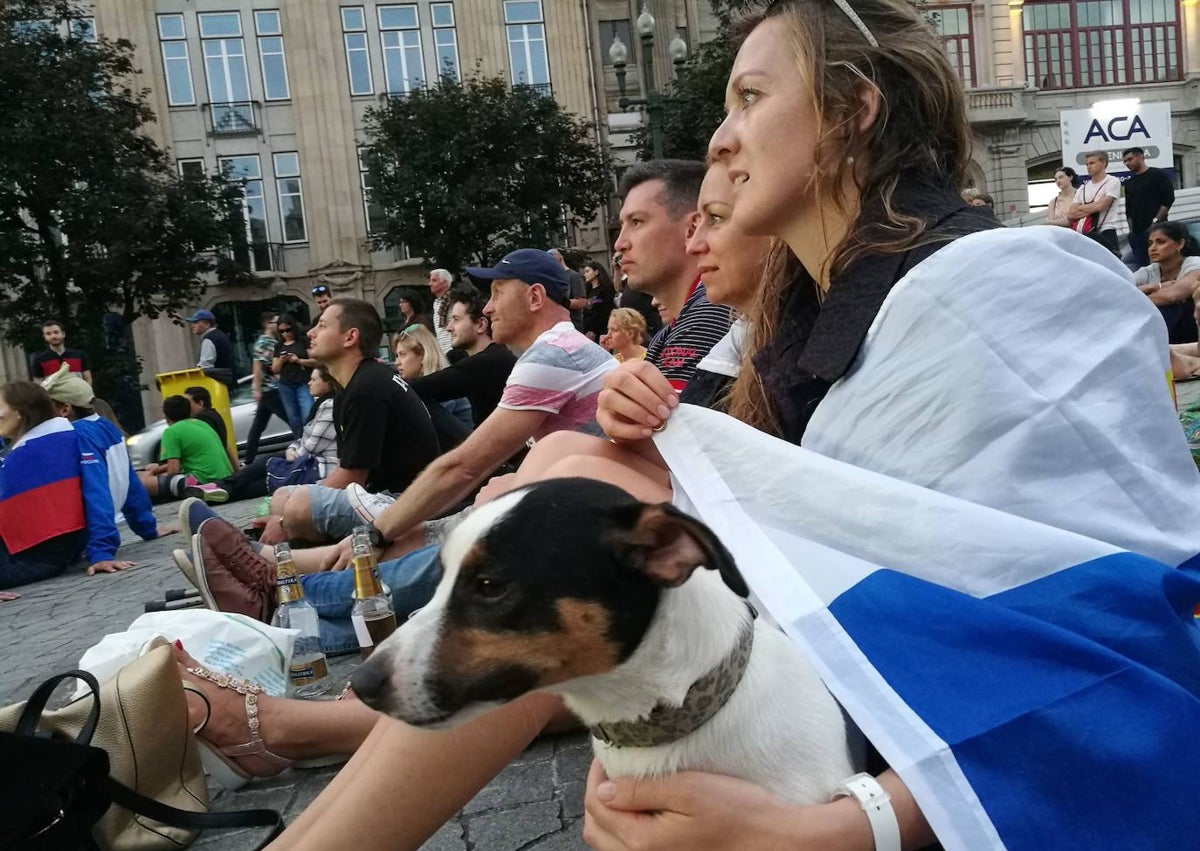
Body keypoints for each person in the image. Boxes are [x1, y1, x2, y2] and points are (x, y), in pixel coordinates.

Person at [253, 2, 1200, 849]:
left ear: (851, 110)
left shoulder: (1012, 283)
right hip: (834, 696)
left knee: (583, 495)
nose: (722, 134)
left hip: (926, 746)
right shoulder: (790, 326)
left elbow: (1118, 638)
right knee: (582, 484)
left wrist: (850, 826)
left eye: (749, 97)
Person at [259, 299, 440, 545]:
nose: (311, 333)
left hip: (407, 502)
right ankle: (293, 557)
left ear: (350, 337)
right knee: (282, 497)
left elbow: (352, 477)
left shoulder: (367, 387)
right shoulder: (350, 387)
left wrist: (284, 521)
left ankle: (288, 564)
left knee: (299, 506)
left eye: (322, 326)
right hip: (380, 494)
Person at [615, 160, 734, 390]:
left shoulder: (709, 315)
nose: (620, 244)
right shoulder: (674, 329)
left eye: (636, 222)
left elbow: (660, 422)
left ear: (692, 229)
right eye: (622, 225)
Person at [0, 382, 129, 589]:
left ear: (19, 413)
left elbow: (96, 494)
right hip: (42, 552)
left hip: (30, 557)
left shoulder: (45, 447)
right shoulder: (34, 446)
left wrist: (101, 553)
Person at [41, 365, 171, 568]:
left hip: (80, 542)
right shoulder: (106, 426)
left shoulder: (77, 435)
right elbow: (131, 485)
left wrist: (101, 552)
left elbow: (96, 492)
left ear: (65, 409)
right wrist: (148, 527)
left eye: (46, 407)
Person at [187, 367, 340, 504]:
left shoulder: (329, 406)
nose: (309, 383)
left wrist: (293, 452)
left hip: (316, 469)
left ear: (328, 383)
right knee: (267, 464)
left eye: (314, 379)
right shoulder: (320, 405)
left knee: (266, 478)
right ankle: (219, 488)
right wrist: (291, 449)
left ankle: (217, 490)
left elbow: (311, 446)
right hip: (306, 463)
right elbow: (303, 438)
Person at [406, 286, 517, 428]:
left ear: (481, 325)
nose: (449, 327)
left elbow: (423, 387)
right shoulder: (492, 357)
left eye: (456, 319)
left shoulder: (489, 361)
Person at [137, 395, 232, 500]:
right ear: (189, 411)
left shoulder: (172, 431)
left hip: (202, 480)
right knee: (148, 475)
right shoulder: (201, 424)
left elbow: (173, 471)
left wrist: (153, 472)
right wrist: (156, 470)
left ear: (166, 416)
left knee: (141, 482)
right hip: (224, 476)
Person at [1131, 221, 1200, 355]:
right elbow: (1120, 292)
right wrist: (1155, 286)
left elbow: (1173, 296)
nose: (1153, 248)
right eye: (1150, 244)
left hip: (1191, 330)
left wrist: (1139, 297)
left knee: (1178, 305)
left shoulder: (1194, 263)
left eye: (1160, 242)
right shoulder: (1149, 271)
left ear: (1180, 244)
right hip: (1166, 331)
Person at [393, 324, 473, 430]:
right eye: (397, 356)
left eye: (403, 354)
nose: (397, 363)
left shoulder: (441, 385)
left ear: (422, 354)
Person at [245, 312, 288, 463]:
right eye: (276, 322)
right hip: (271, 389)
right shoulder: (265, 342)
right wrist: (256, 388)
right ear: (267, 324)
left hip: (267, 390)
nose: (279, 325)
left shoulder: (271, 341)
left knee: (258, 427)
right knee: (292, 420)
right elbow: (258, 367)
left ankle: (249, 459)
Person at [1123, 146, 1175, 269]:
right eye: (1125, 161)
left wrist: (1156, 222)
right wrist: (1131, 230)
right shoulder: (1130, 182)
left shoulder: (1157, 175)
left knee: (1159, 265)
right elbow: (1128, 208)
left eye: (1130, 159)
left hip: (1156, 229)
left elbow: (1168, 199)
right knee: (1141, 267)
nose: (1127, 163)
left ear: (1140, 157)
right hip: (1136, 233)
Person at [1068, 149, 1123, 256]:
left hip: (1106, 230)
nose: (1088, 166)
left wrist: (1081, 207)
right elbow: (1071, 213)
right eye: (1087, 164)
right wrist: (1093, 207)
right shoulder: (1083, 188)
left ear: (1103, 163)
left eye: (1092, 163)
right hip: (1086, 233)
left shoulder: (1112, 181)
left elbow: (1101, 206)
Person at [272, 315, 314, 435]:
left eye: (288, 330)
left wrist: (299, 360)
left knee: (308, 415)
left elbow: (315, 361)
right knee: (294, 419)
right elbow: (275, 369)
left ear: (293, 328)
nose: (285, 333)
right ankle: (299, 442)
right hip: (286, 384)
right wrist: (282, 360)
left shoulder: (303, 341)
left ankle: (311, 441)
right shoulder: (278, 346)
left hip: (303, 382)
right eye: (282, 331)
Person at [183, 386, 239, 474]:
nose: (184, 407)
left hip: (209, 473)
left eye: (188, 403)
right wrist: (237, 471)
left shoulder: (200, 421)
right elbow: (226, 445)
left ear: (200, 403)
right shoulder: (215, 415)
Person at [29, 319, 92, 384]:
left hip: (79, 394)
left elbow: (88, 379)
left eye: (56, 332)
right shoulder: (39, 360)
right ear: (45, 337)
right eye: (48, 334)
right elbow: (38, 384)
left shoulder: (79, 356)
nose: (53, 336)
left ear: (63, 334)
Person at [185, 308, 236, 388]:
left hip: (218, 387)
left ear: (207, 324)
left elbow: (204, 367)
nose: (192, 326)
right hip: (228, 385)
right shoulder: (220, 335)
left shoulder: (209, 339)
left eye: (196, 322)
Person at [548, 247, 588, 329]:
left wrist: (562, 302)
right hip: (556, 326)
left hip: (572, 325)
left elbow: (582, 301)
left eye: (551, 256)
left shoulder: (573, 276)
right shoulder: (552, 277)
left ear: (559, 257)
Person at [581, 261, 617, 341]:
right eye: (584, 272)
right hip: (588, 330)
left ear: (596, 272)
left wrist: (594, 330)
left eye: (587, 271)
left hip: (601, 331)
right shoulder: (589, 291)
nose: (585, 274)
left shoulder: (605, 290)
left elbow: (605, 311)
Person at [428, 268, 455, 355]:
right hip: (443, 351)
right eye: (430, 280)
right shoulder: (436, 303)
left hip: (453, 349)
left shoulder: (453, 301)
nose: (430, 284)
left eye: (434, 280)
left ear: (445, 283)